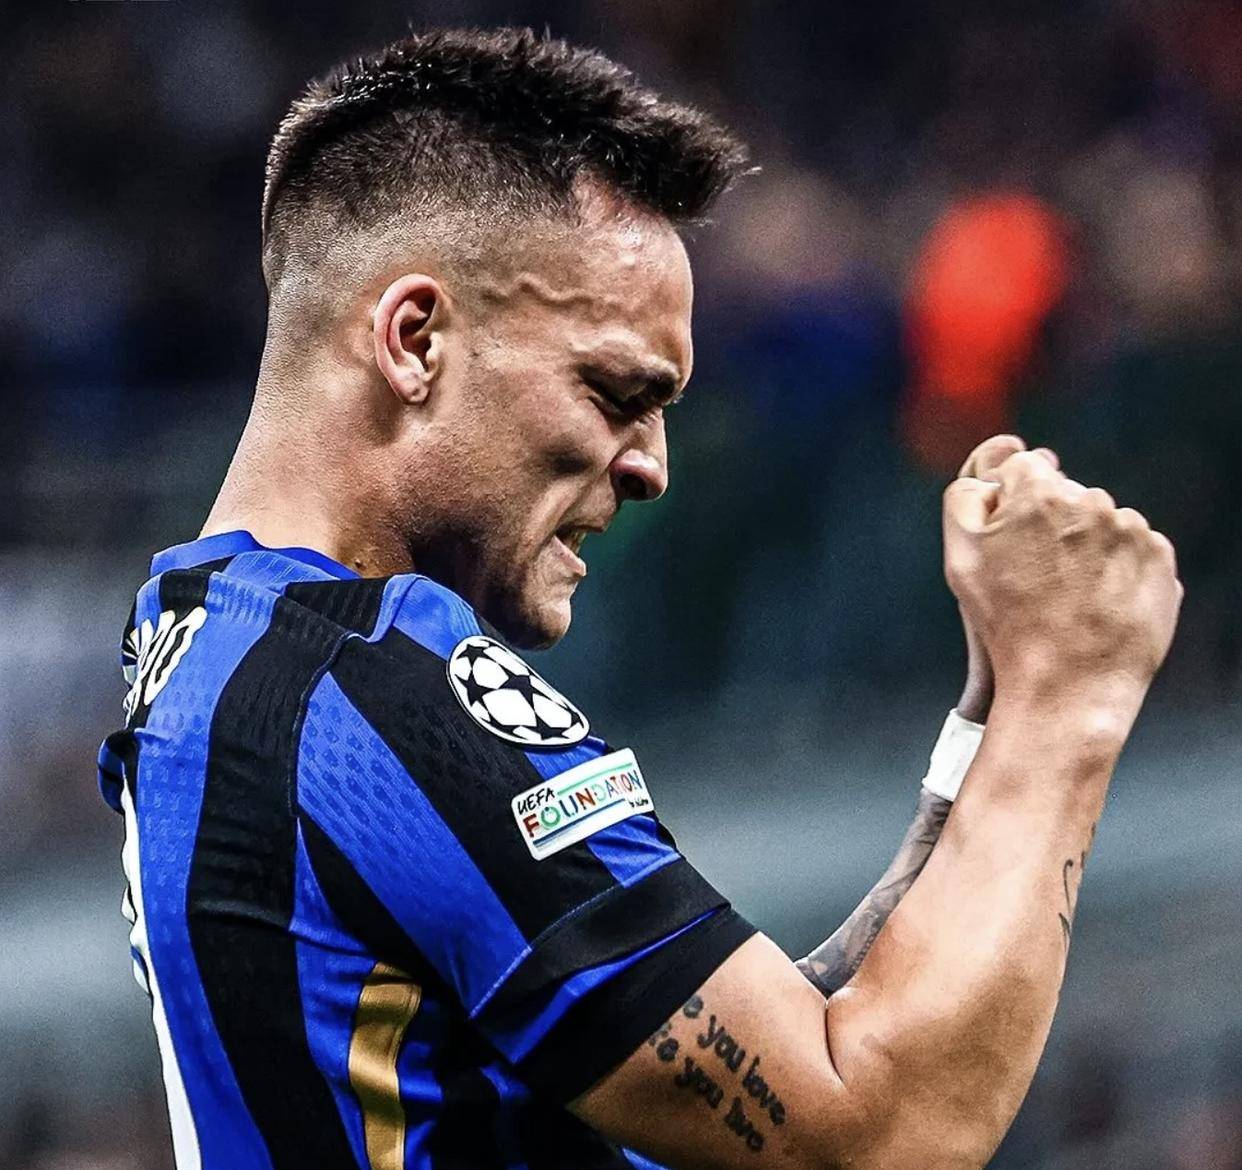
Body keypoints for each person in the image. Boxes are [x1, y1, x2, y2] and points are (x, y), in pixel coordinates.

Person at [97, 27, 1182, 1170]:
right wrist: (1073, 692)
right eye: (616, 392)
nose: (652, 465)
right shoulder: (370, 688)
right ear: (415, 341)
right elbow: (874, 1135)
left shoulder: (199, 636)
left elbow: (752, 1054)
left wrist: (991, 730)